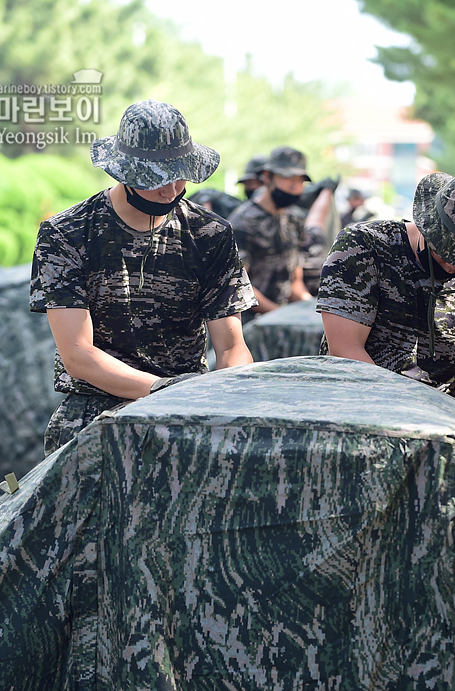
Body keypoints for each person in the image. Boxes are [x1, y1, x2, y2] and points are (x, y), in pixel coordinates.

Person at [30, 99, 256, 454]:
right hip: (95, 415)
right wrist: (161, 390)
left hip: (186, 414)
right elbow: (77, 354)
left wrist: (226, 396)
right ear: (124, 172)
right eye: (157, 180)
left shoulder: (209, 233)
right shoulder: (68, 233)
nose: (171, 191)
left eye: (180, 176)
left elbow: (230, 346)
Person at [317, 167, 455, 398]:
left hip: (439, 422)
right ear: (428, 225)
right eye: (445, 252)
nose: (452, 266)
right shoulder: (363, 246)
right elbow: (345, 350)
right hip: (357, 408)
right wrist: (407, 411)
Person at [227, 146, 334, 321]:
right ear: (267, 177)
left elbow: (294, 280)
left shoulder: (293, 221)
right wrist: (278, 314)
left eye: (300, 180)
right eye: (287, 177)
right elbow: (239, 284)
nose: (294, 186)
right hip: (247, 321)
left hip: (280, 318)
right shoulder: (243, 222)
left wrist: (310, 307)